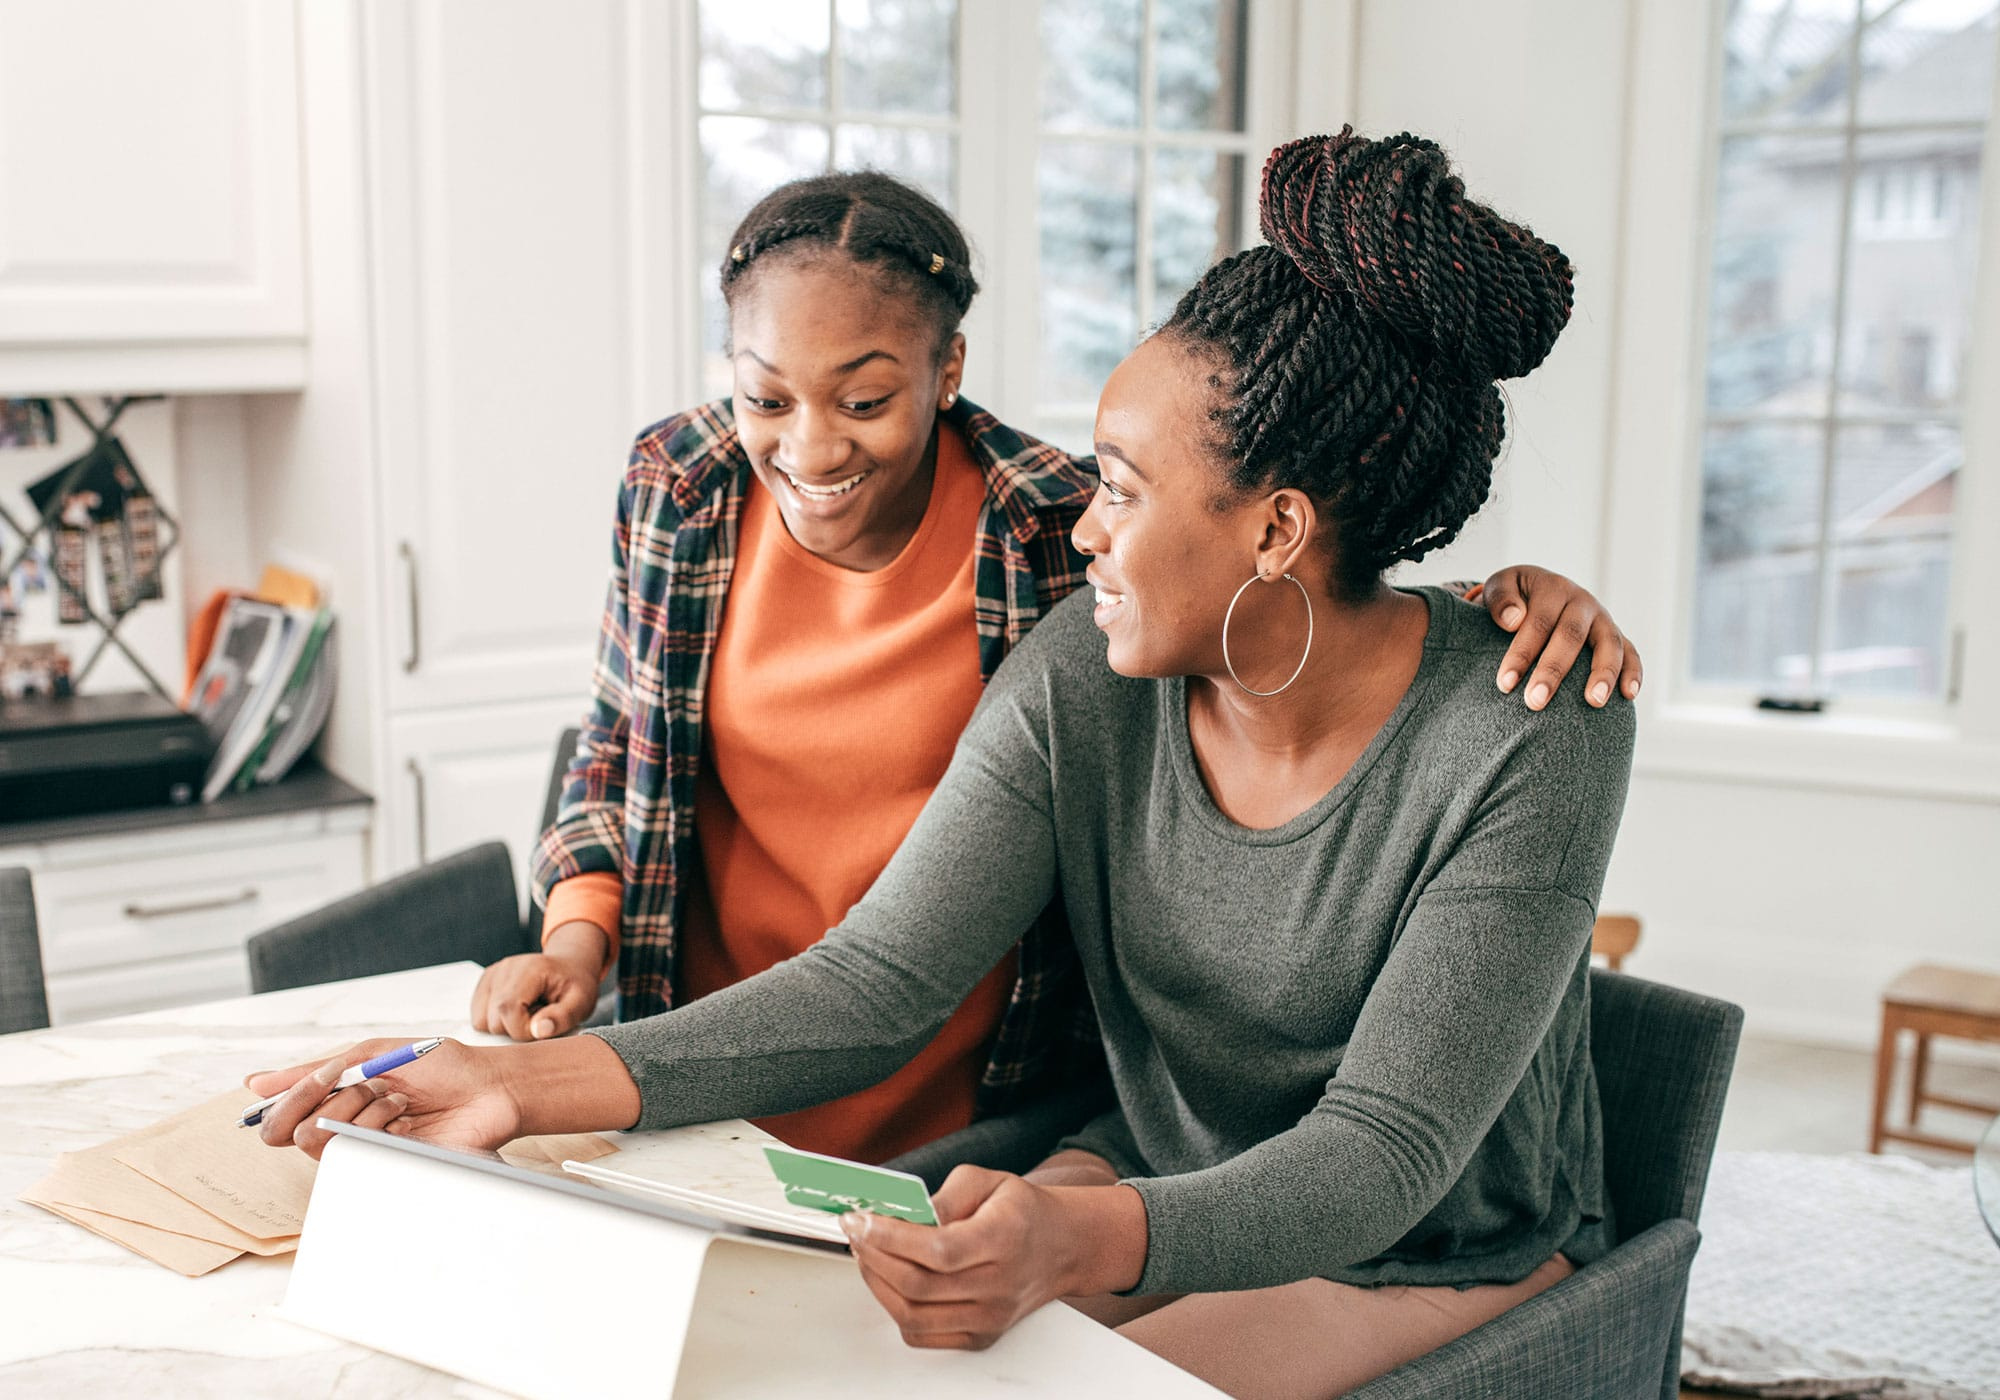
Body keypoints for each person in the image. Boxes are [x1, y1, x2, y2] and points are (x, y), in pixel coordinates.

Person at [254, 128, 1637, 1396]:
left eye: (1125, 490)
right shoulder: (1086, 676)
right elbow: (881, 979)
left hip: (1424, 1244)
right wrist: (508, 1085)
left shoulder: (1531, 724)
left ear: (1275, 533)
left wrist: (1078, 1239)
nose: (1085, 531)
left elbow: (1380, 1158)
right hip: (1153, 1168)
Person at [461, 169, 1642, 1174]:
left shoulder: (1052, 532)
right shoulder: (686, 487)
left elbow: (1283, 563)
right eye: (767, 395)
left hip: (977, 1080)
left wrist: (1489, 606)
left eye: (863, 397)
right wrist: (567, 964)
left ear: (946, 367)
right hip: (705, 1035)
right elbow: (627, 750)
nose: (808, 444)